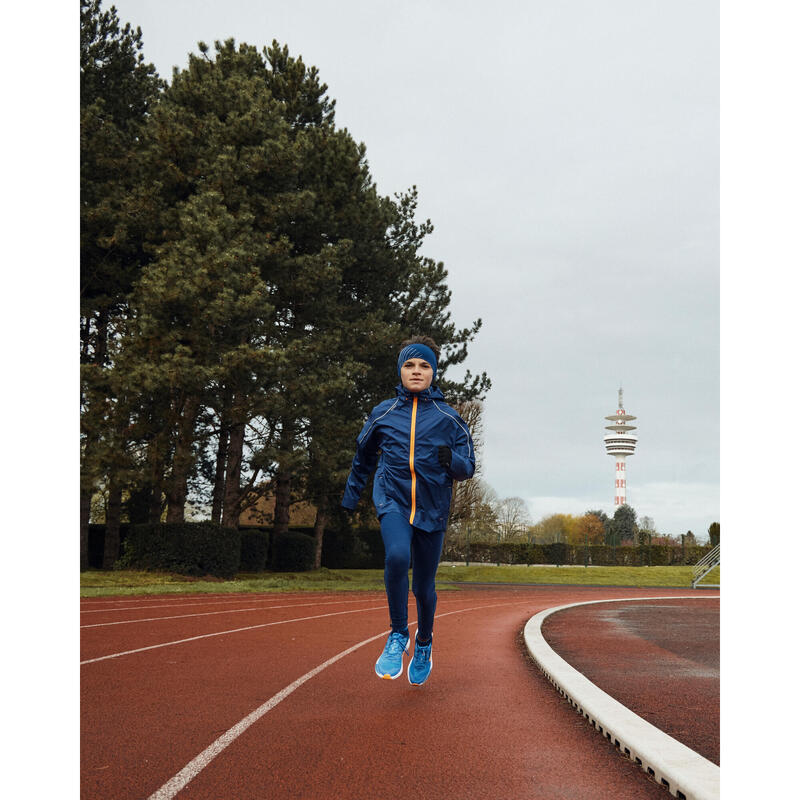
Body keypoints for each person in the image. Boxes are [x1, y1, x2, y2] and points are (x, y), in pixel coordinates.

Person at [341, 336, 475, 685]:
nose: (416, 371)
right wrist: (350, 497)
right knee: (398, 557)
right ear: (400, 370)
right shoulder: (383, 413)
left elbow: (468, 468)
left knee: (425, 588)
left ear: (434, 372)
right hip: (393, 499)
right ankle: (398, 634)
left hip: (433, 507)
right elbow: (363, 457)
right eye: (409, 365)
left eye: (424, 366)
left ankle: (425, 642)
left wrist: (454, 461)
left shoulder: (450, 418)